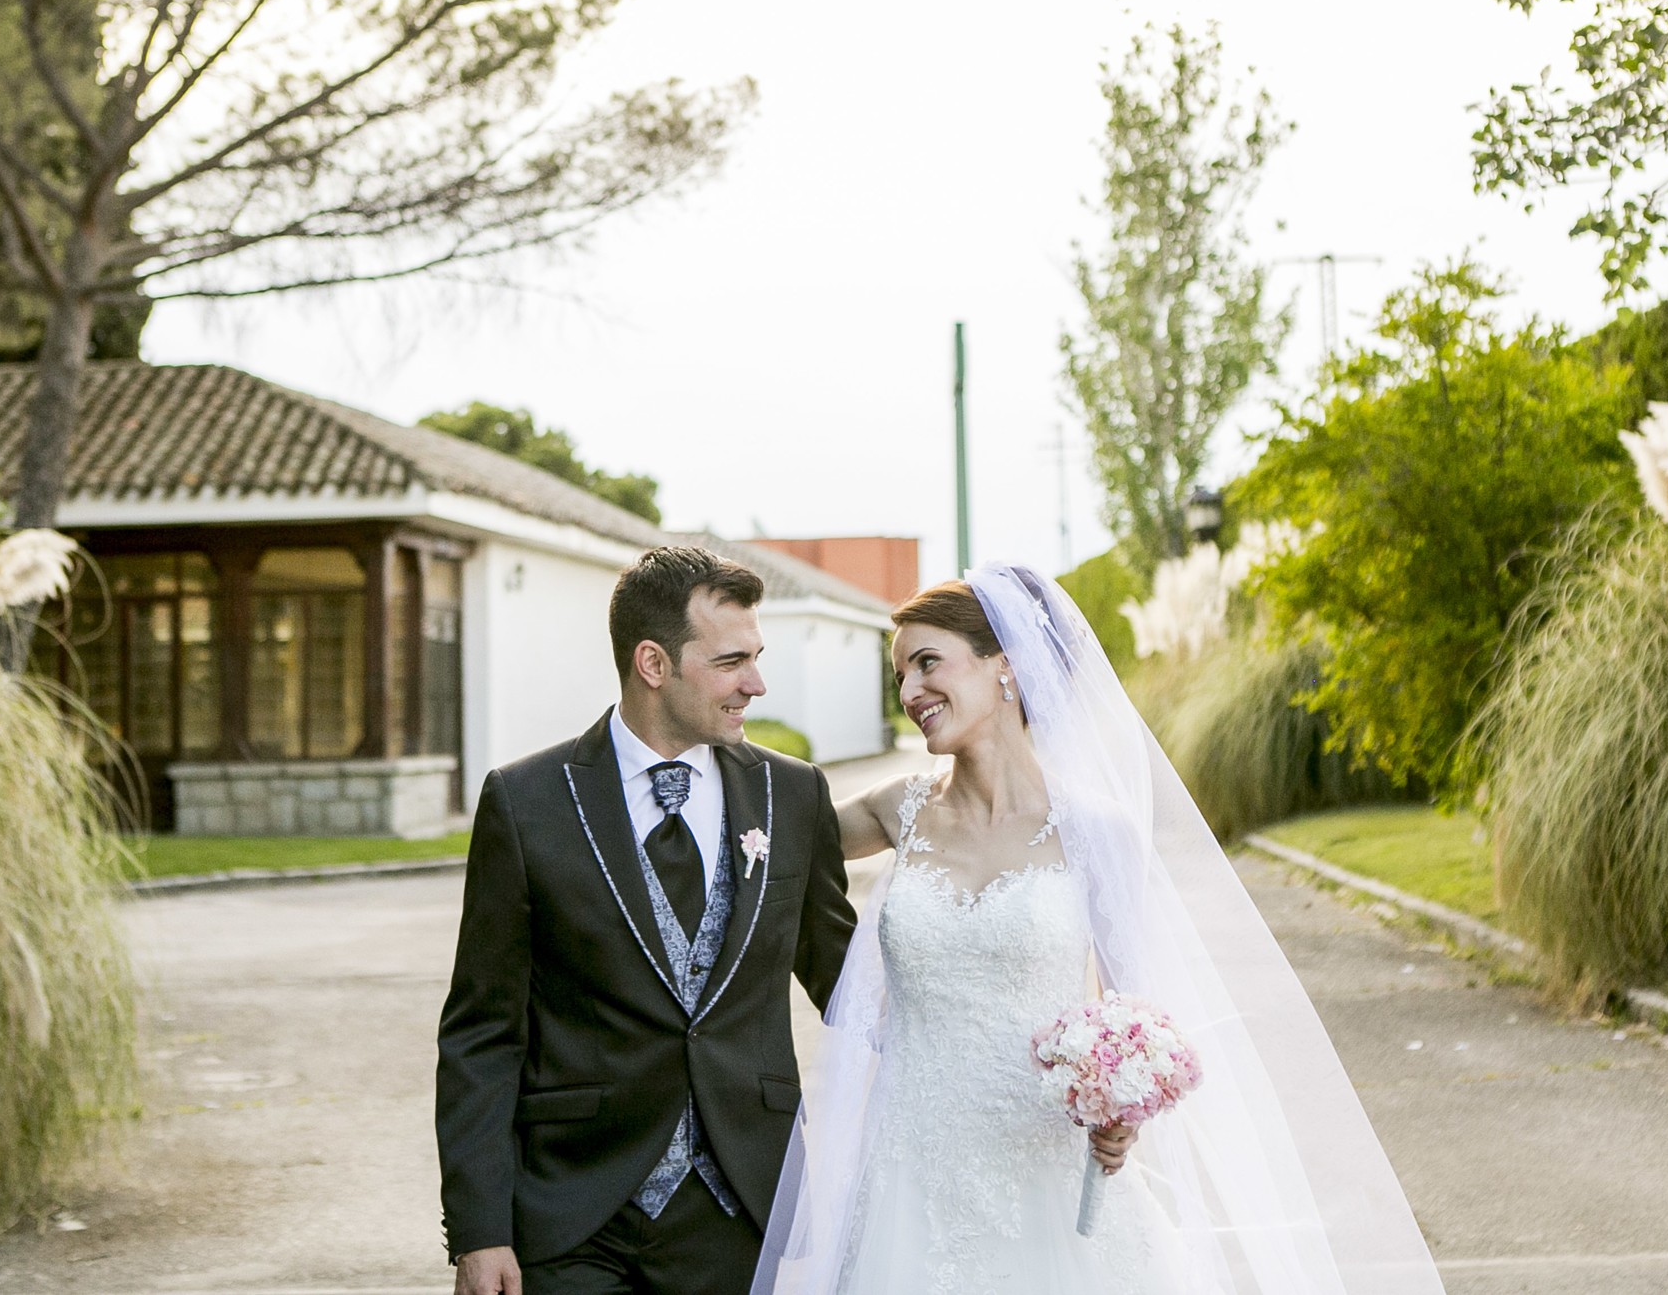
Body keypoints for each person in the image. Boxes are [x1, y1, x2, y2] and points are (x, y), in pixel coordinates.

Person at [753, 566, 1447, 1295]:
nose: (910, 690)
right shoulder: (897, 808)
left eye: (928, 662)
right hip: (912, 1166)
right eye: (901, 674)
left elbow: (1131, 1012)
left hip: (1046, 1162)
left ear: (1004, 666)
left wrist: (1124, 1106)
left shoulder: (1097, 830)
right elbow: (768, 834)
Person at [436, 546, 857, 1295]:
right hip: (572, 1213)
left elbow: (849, 983)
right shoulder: (527, 801)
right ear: (653, 664)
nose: (756, 684)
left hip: (739, 1207)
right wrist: (479, 1229)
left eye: (756, 659)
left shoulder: (792, 795)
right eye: (731, 662)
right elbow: (482, 1032)